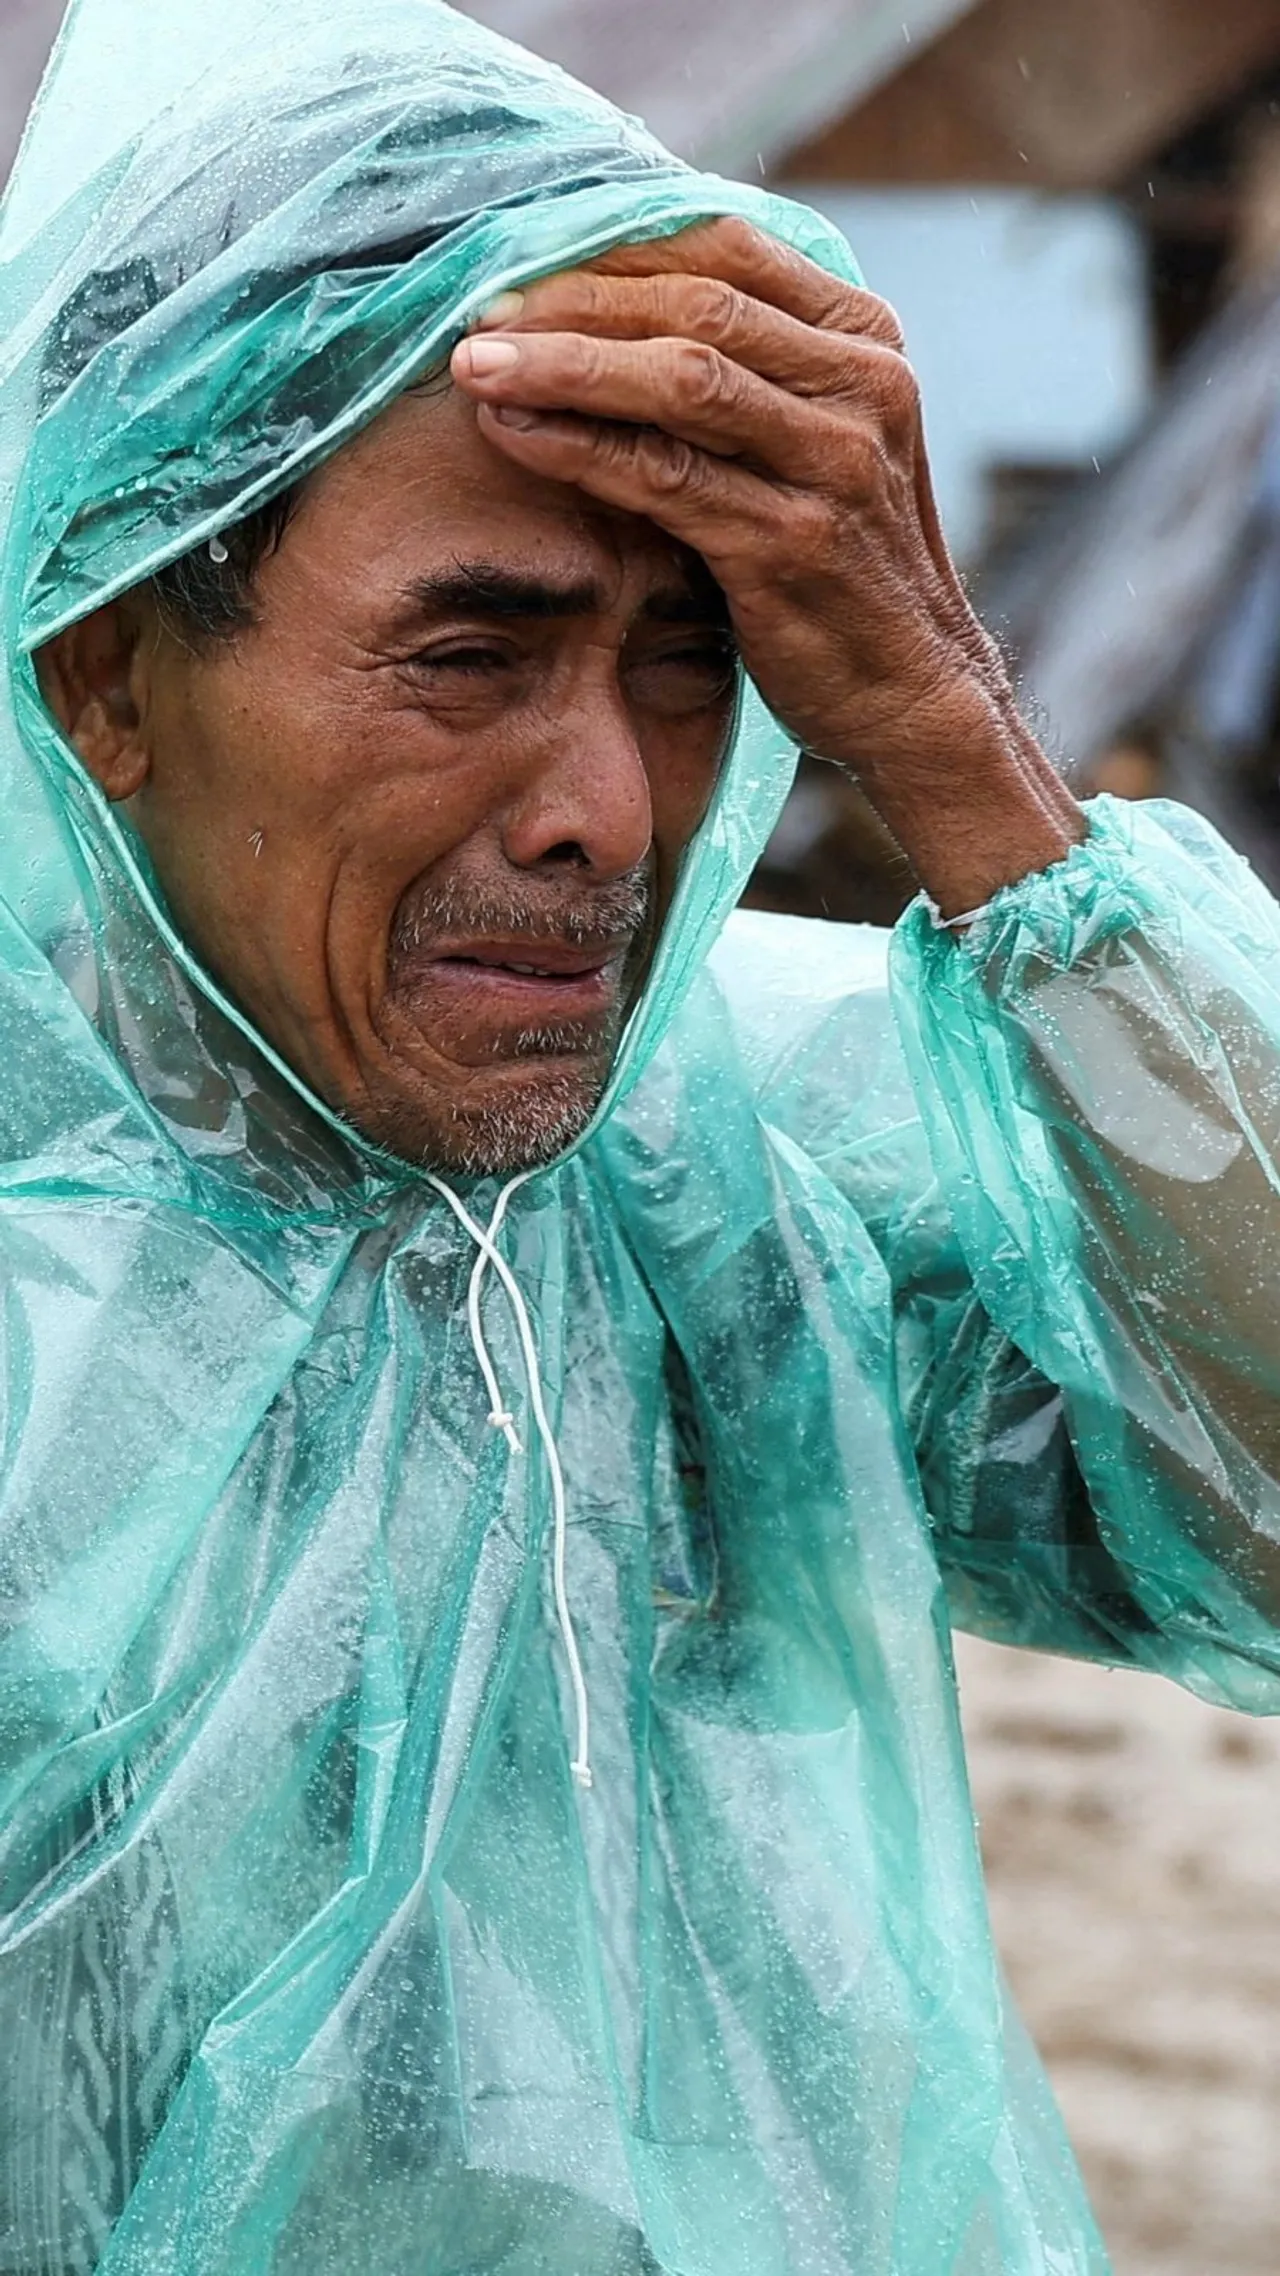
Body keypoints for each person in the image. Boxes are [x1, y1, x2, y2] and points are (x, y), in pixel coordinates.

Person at [2, 4, 1279, 2273]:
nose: (611, 809)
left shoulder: (743, 1166)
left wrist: (954, 743)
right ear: (104, 667)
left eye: (696, 662)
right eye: (466, 658)